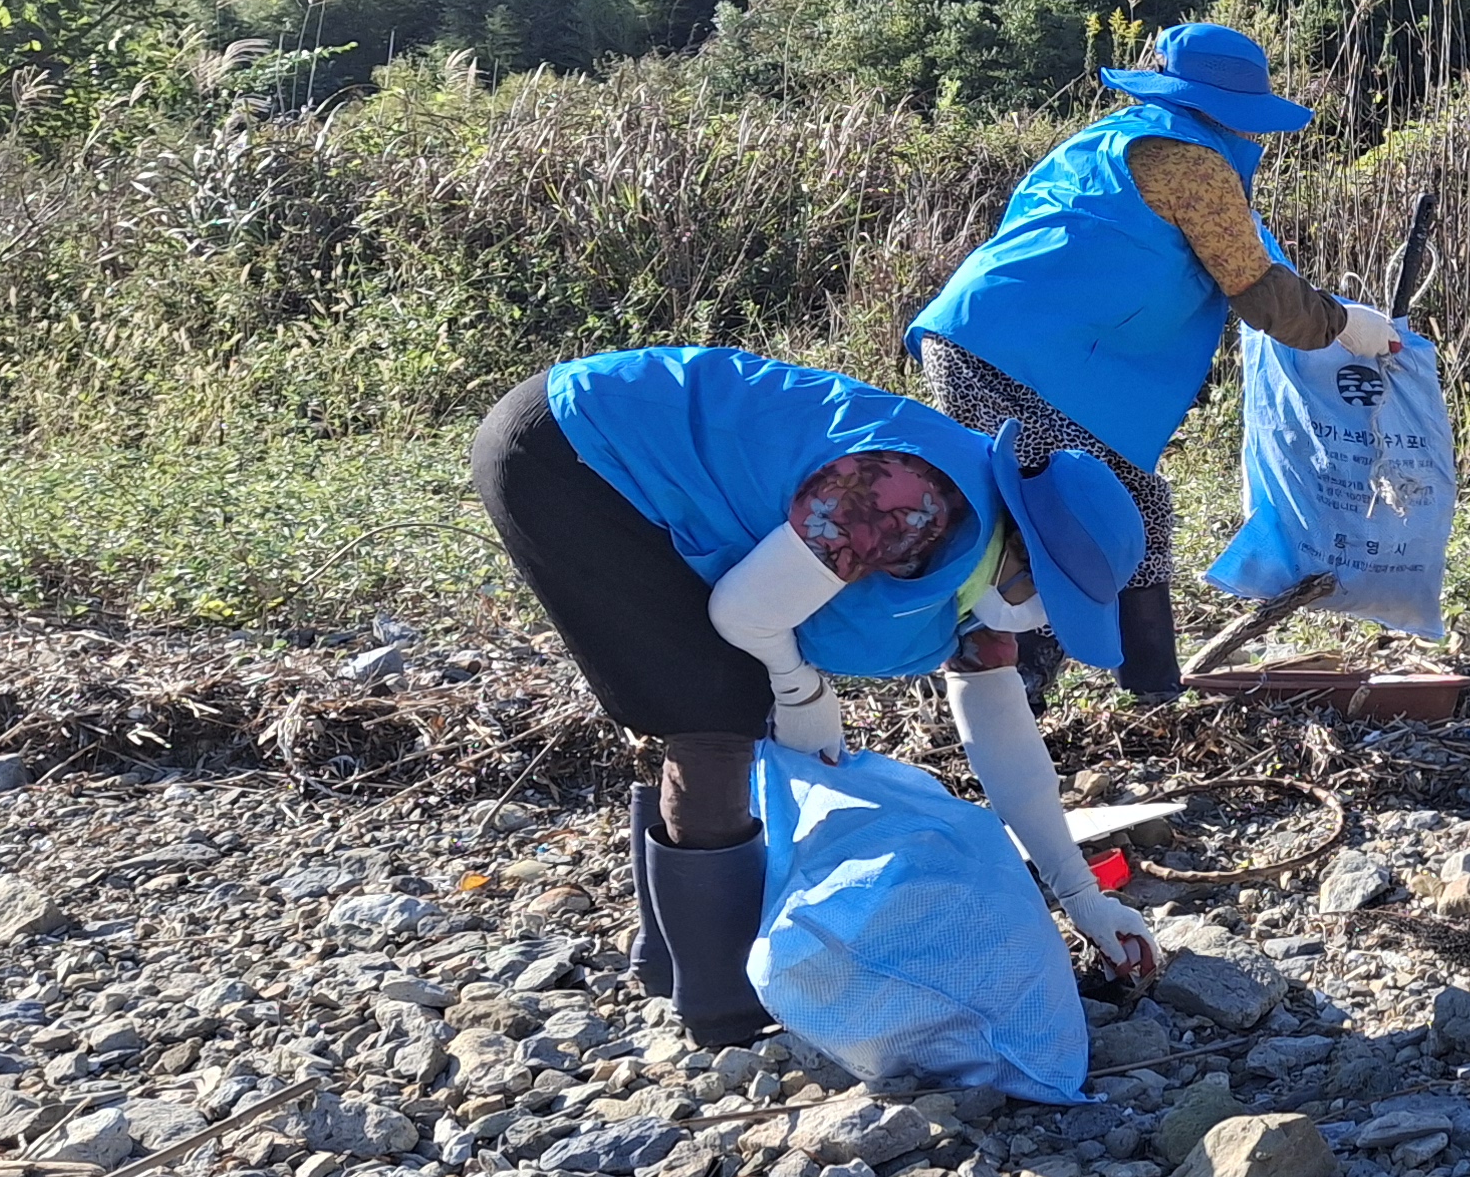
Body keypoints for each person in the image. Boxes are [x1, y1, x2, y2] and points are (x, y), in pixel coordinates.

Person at [470, 346, 1164, 1047]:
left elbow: (1007, 747)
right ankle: (722, 1011)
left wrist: (1083, 896)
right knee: (717, 710)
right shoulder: (910, 496)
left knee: (718, 699)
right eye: (1047, 598)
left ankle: (667, 961)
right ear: (1025, 550)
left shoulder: (978, 580)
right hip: (574, 446)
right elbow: (744, 615)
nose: (1038, 619)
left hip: (627, 467)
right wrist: (800, 688)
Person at [907, 21, 1402, 704]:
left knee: (1104, 508)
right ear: (1227, 110)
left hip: (978, 336)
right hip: (1024, 356)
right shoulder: (1192, 163)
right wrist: (1346, 326)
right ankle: (1023, 689)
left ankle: (1146, 688)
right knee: (1058, 517)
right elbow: (1258, 292)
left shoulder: (1108, 140)